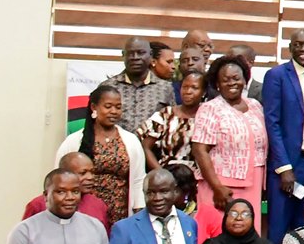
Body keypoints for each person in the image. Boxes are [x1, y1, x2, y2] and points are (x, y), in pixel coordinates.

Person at [189, 56, 267, 243]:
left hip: (253, 185)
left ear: (245, 80)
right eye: (225, 80)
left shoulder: (255, 106)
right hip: (221, 188)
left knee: (248, 237)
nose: (232, 83)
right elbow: (200, 150)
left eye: (236, 78)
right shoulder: (210, 109)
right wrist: (217, 188)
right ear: (217, 84)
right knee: (219, 238)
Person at [262, 31, 304, 241]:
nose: (303, 49)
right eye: (297, 45)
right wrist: (284, 167)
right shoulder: (277, 76)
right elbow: (272, 123)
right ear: (290, 48)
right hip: (288, 164)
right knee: (279, 228)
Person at [57, 83, 145, 227]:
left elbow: (138, 180)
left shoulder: (131, 140)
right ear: (94, 107)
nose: (114, 111)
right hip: (85, 214)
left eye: (118, 107)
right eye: (108, 106)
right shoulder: (74, 141)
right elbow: (60, 177)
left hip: (120, 216)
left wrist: (138, 214)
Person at [138, 68, 204, 172]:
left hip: (200, 176)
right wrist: (161, 173)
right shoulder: (166, 115)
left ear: (203, 92)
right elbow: (145, 147)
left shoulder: (208, 117)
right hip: (167, 174)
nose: (188, 92)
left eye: (194, 88)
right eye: (185, 87)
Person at [108, 36, 176, 133]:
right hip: (116, 142)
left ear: (150, 55)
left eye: (141, 53)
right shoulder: (109, 87)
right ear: (123, 55)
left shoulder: (165, 88)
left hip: (152, 142)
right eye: (130, 53)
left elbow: (171, 123)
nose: (135, 57)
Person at [25, 152, 110, 228]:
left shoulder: (98, 204)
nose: (90, 177)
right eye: (83, 173)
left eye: (92, 172)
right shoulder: (38, 205)